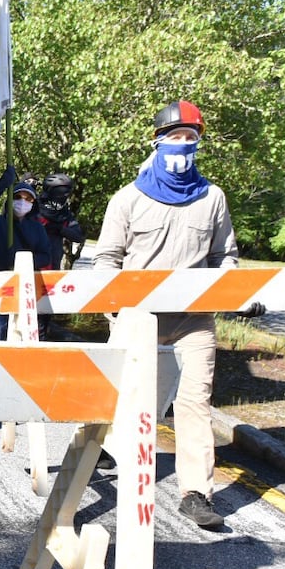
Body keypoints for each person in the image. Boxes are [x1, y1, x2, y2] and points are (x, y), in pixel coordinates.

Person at [91, 99, 248, 531]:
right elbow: (107, 259)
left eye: (190, 138)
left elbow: (224, 256)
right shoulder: (128, 198)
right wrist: (114, 311)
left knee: (194, 403)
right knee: (117, 395)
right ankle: (96, 451)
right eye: (175, 137)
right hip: (137, 316)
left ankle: (196, 492)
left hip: (193, 319)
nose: (183, 145)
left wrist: (236, 288)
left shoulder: (212, 199)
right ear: (157, 142)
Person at [0, 168, 53, 343]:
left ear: (33, 203)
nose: (23, 202)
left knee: (21, 340)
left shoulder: (37, 228)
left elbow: (46, 256)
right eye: (18, 197)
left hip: (23, 290)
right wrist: (2, 185)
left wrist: (23, 261)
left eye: (28, 198)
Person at [36, 173, 85, 271]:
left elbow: (78, 236)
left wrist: (60, 229)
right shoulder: (33, 207)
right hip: (32, 264)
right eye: (61, 192)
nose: (64, 195)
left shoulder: (64, 214)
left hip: (54, 264)